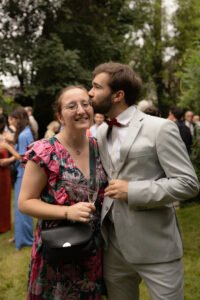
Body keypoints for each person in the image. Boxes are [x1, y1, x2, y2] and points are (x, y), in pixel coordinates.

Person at [88, 62, 199, 300]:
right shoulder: (99, 132)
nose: (90, 92)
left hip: (156, 245)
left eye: (96, 87)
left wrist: (134, 190)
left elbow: (188, 183)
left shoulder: (161, 128)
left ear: (118, 95)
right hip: (113, 247)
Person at [18, 86, 107, 299]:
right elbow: (25, 202)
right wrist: (67, 212)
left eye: (86, 104)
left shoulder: (100, 147)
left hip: (93, 249)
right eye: (71, 106)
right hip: (58, 249)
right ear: (60, 116)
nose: (81, 110)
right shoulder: (45, 151)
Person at [0, 107, 34, 249]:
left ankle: (25, 239)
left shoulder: (23, 134)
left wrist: (8, 147)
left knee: (22, 208)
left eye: (12, 119)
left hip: (23, 174)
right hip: (24, 174)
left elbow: (22, 157)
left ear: (18, 119)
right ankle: (20, 236)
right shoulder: (26, 132)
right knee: (20, 209)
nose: (10, 121)